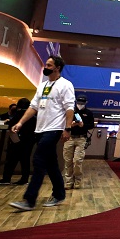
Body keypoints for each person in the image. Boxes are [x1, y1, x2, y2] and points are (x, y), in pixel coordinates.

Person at [8, 55, 76, 211]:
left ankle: (29, 200)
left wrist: (67, 128)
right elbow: (33, 107)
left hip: (53, 130)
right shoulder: (43, 85)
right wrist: (20, 122)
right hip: (40, 129)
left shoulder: (66, 85)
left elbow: (69, 108)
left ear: (57, 68)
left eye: (49, 65)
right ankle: (59, 193)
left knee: (38, 161)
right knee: (51, 164)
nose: (45, 67)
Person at [62, 94, 94, 190]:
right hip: (70, 137)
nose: (80, 104)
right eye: (79, 102)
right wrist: (70, 125)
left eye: (82, 103)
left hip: (81, 138)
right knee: (67, 160)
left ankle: (77, 181)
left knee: (77, 161)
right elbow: (62, 123)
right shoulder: (71, 112)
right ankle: (68, 181)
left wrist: (83, 125)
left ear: (86, 103)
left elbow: (91, 125)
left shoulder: (88, 113)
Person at [0, 97, 34, 184]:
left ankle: (6, 178)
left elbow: (11, 124)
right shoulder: (33, 115)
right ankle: (24, 179)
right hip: (29, 139)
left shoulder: (18, 113)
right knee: (25, 160)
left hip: (17, 139)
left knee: (11, 160)